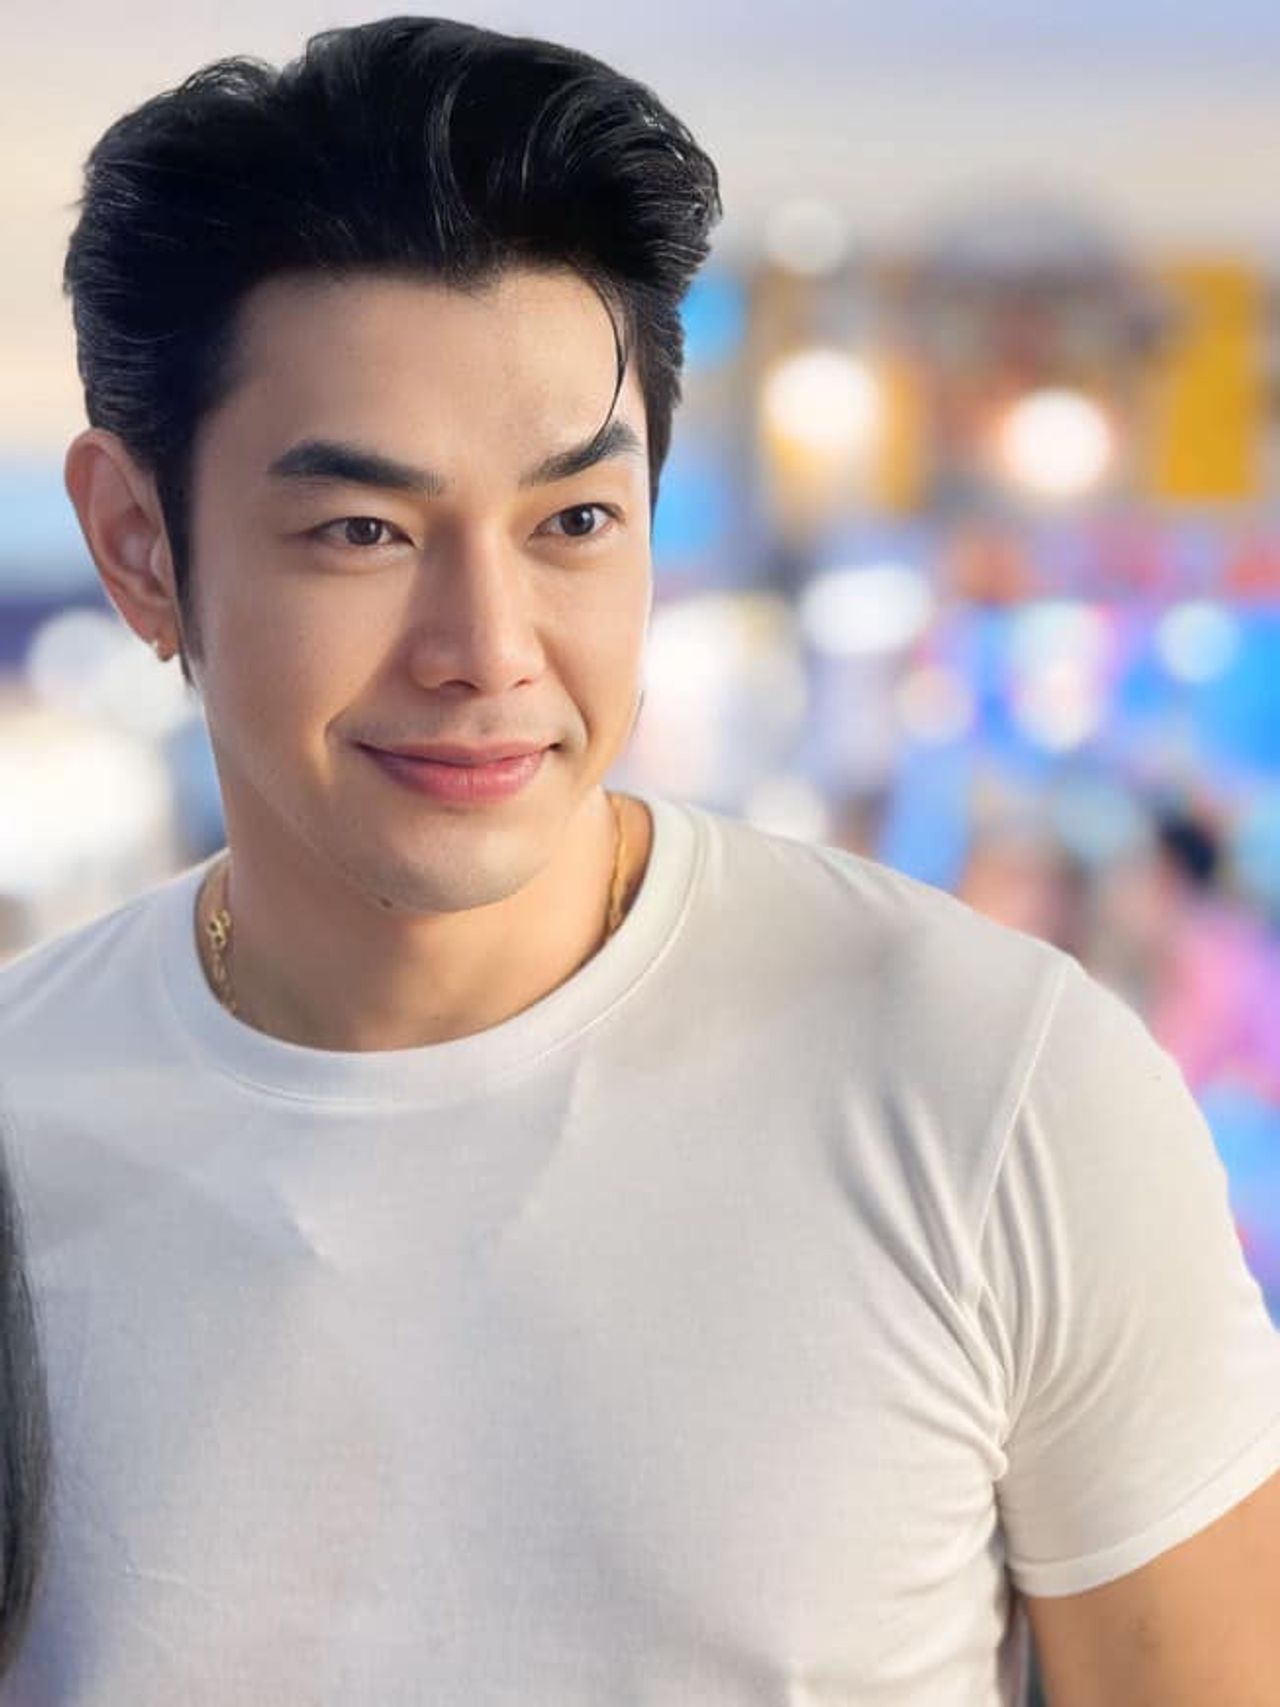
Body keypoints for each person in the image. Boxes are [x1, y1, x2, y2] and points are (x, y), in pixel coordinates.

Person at [1, 16, 1278, 1703]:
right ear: (137, 545)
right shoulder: (25, 1116)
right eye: (361, 531)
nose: (487, 648)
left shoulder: (996, 1089)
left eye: (574, 523)